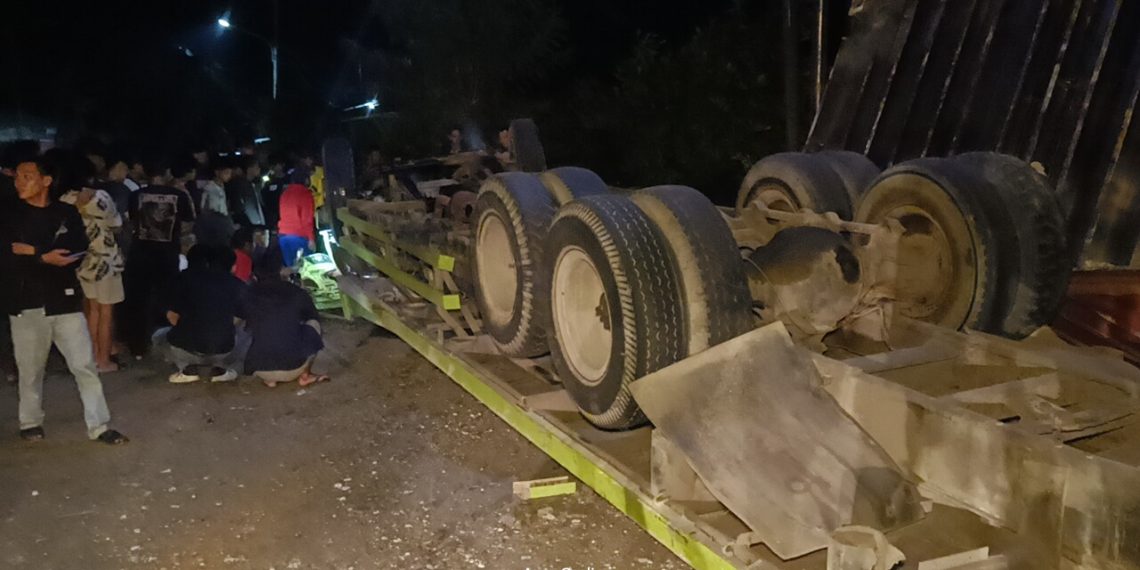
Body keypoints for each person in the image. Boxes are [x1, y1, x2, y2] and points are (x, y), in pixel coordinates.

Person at [0, 157, 128, 444]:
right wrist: (43, 256)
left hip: (65, 300)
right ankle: (30, 421)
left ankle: (99, 425)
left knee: (84, 365)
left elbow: (77, 247)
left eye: (27, 176)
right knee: (30, 369)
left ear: (46, 181)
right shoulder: (8, 214)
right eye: (18, 176)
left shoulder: (65, 213)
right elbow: (7, 253)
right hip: (25, 300)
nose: (20, 181)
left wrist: (32, 251)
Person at [122, 155, 196, 356]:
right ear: (168, 173)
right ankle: (171, 342)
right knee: (169, 299)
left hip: (140, 254)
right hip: (167, 254)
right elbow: (189, 222)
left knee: (138, 300)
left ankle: (137, 346)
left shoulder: (136, 195)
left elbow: (130, 222)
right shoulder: (178, 195)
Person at [155, 245, 247, 383]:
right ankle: (221, 369)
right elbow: (238, 318)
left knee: (158, 336)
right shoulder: (237, 284)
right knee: (246, 333)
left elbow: (172, 317)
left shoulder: (180, 280)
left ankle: (186, 367)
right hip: (223, 350)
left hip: (185, 349)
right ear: (232, 265)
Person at [60, 183, 125, 373]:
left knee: (90, 310)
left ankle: (91, 356)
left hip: (83, 260)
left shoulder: (65, 198)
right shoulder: (100, 197)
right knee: (106, 312)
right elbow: (116, 225)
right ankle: (103, 360)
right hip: (105, 259)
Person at [244, 257, 327, 387]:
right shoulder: (295, 291)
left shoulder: (248, 293)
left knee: (254, 330)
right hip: (293, 367)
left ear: (254, 275)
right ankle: (305, 375)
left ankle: (270, 379)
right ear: (281, 272)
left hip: (258, 368)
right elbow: (312, 316)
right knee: (313, 324)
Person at [277, 169, 316, 267]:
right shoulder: (305, 194)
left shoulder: (284, 193)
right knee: (305, 269)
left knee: (291, 269)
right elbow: (307, 219)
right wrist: (311, 238)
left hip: (283, 236)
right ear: (306, 180)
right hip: (299, 236)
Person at [227, 155, 265, 228]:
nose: (259, 169)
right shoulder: (243, 185)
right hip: (250, 225)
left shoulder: (249, 184)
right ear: (249, 169)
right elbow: (249, 207)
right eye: (256, 167)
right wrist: (257, 224)